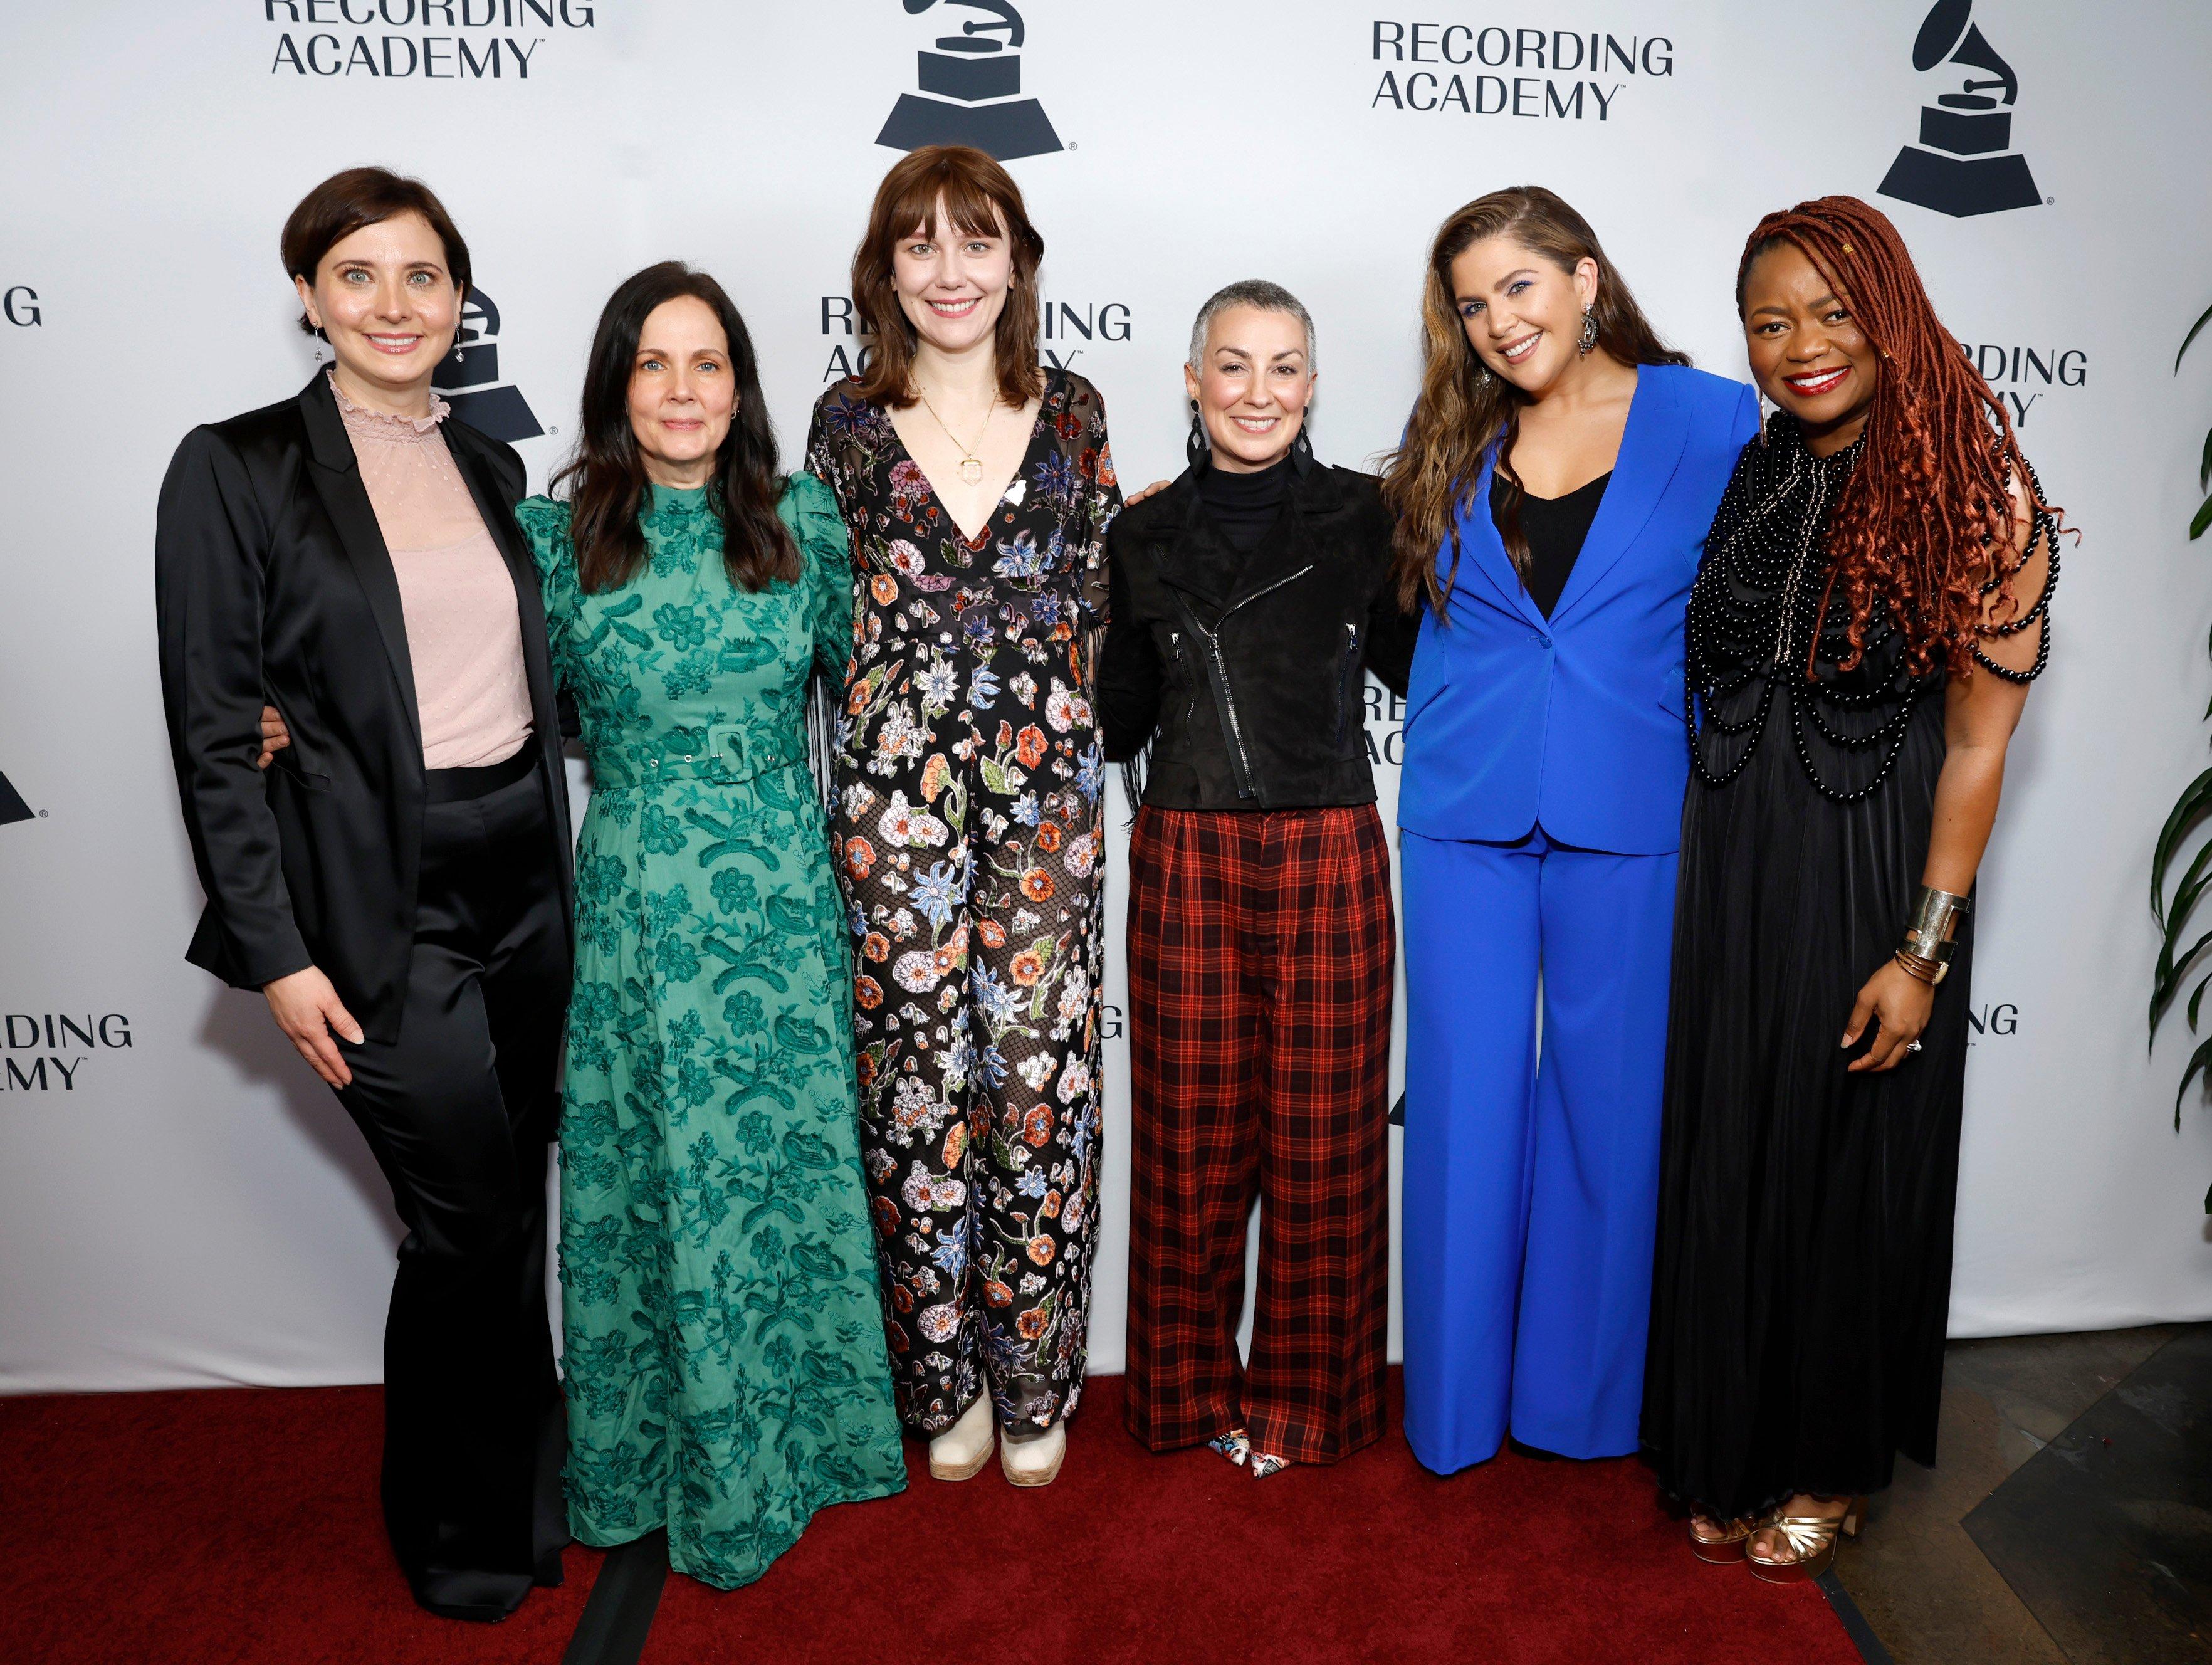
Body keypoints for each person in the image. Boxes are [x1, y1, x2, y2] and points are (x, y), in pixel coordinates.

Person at [155, 167, 572, 1621]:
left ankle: (533, 1497)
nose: (395, 306)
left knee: (510, 1203)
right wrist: (274, 951)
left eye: (423, 278)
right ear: (310, 297)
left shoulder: (492, 468)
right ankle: (455, 1524)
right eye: (359, 276)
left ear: (461, 300)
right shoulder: (238, 464)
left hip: (525, 871)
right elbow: (213, 731)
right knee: (463, 1219)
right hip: (369, 907)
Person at [1642, 196, 2058, 1581]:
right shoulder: (1760, 470)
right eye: (1769, 320)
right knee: (1734, 1143)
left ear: (1891, 312)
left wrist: (1922, 950)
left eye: (1830, 311)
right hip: (1737, 857)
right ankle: (1731, 1437)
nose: (1799, 344)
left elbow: (1981, 746)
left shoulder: (1980, 495)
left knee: (1841, 1165)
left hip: (1872, 867)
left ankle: (1827, 1459)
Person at [513, 263, 906, 1589]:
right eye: (654, 364)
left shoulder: (804, 523)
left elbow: (900, 691)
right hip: (637, 911)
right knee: (655, 1178)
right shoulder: (553, 544)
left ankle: (807, 1444)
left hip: (783, 906)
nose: (683, 391)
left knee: (775, 1174)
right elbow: (451, 694)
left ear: (741, 387)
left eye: (710, 364)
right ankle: (649, 1463)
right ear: (616, 384)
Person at [1381, 186, 1759, 1476]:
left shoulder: (1712, 417)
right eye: (1473, 304)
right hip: (1460, 810)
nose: (1496, 321)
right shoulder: (1450, 434)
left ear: (1585, 277)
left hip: (1633, 802)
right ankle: (1450, 1410)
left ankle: (1581, 1407)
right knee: (1460, 1111)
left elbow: (1757, 600)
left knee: (1609, 1111)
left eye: (1518, 288)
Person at [805, 144, 1120, 1488]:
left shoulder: (1079, 408)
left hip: (1048, 807)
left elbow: (1107, 601)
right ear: (884, 271)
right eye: (920, 243)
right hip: (894, 811)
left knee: (1038, 1090)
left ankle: (1036, 1376)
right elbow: (805, 614)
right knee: (916, 1094)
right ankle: (941, 1378)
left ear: (1017, 260)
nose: (950, 270)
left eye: (976, 240)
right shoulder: (843, 424)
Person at [1098, 281, 1415, 1480]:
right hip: (1183, 847)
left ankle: (1306, 1409)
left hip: (1328, 844)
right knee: (1184, 1142)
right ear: (1191, 381)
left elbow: (1421, 667)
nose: (1258, 393)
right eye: (1232, 367)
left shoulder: (1367, 517)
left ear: (1313, 385)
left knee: (1328, 1144)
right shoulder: (1141, 533)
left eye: (1284, 368)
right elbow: (1119, 724)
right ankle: (1179, 1397)